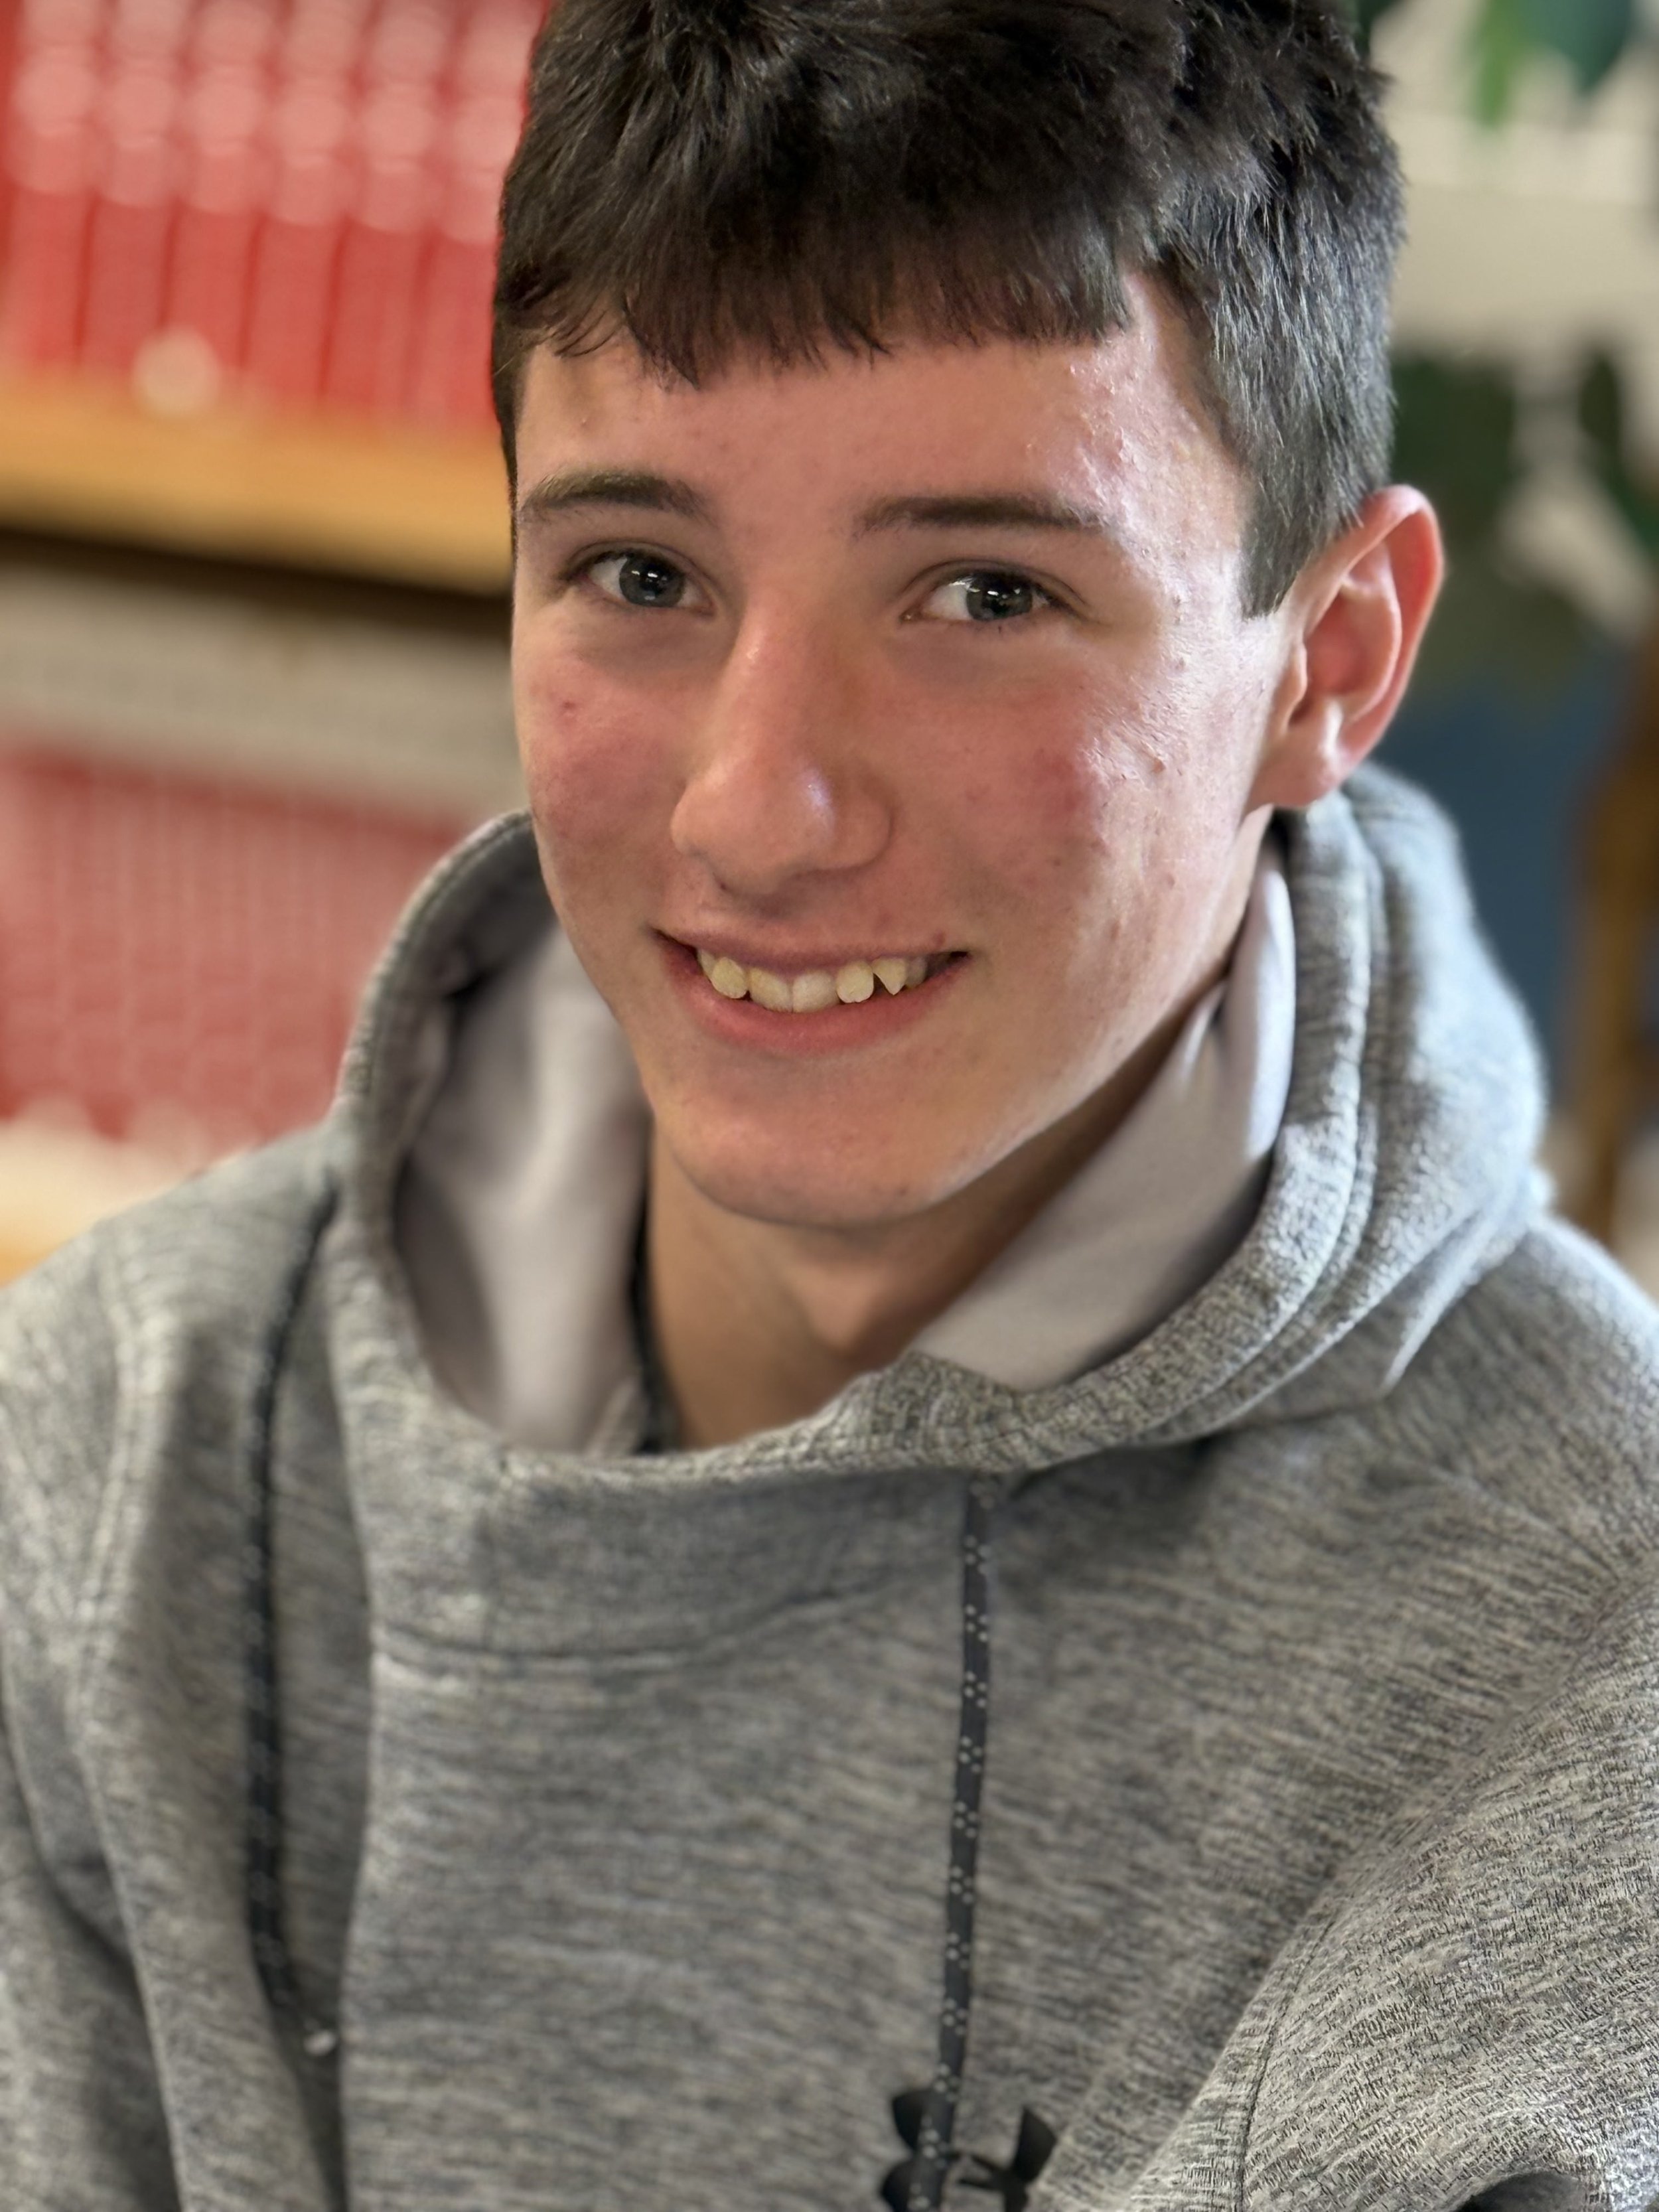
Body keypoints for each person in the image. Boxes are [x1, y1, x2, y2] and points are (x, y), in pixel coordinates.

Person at [4, 1, 1658, 2206]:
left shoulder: (1592, 1663)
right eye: (640, 576)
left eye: (986, 594)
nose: (757, 811)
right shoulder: (115, 1451)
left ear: (1330, 658)